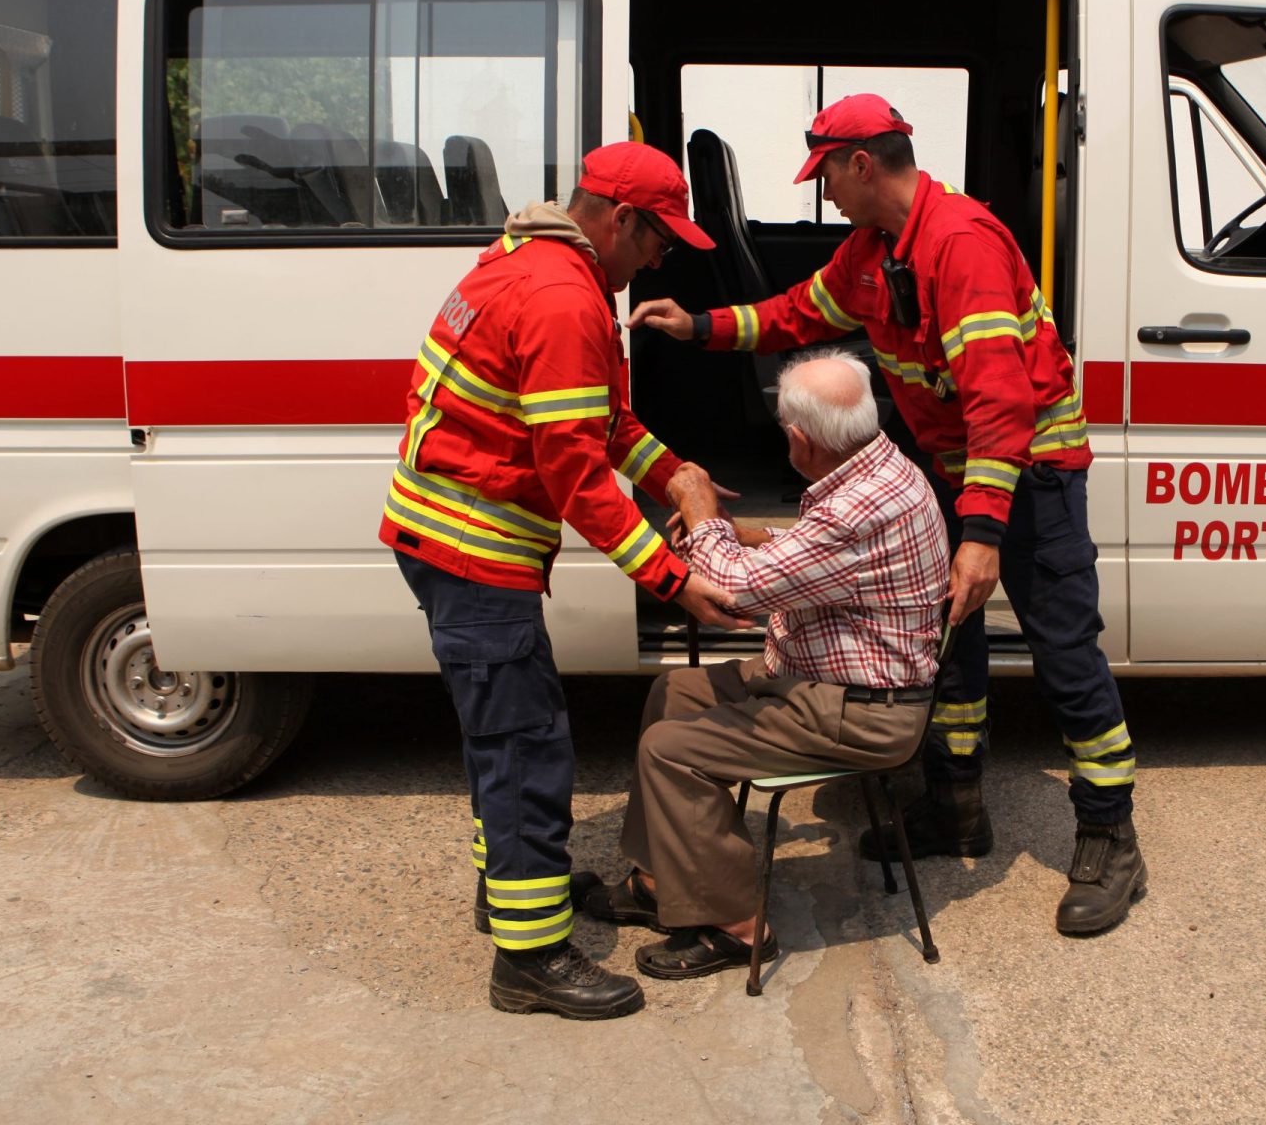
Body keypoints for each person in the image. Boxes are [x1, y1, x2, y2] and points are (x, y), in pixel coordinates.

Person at [628, 94, 1147, 937]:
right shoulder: (873, 251)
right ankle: (956, 804)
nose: (823, 191)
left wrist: (979, 537)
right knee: (952, 642)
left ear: (862, 163)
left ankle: (1109, 835)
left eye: (826, 173)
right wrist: (699, 327)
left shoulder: (961, 243)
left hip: (1032, 472)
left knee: (1063, 649)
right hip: (957, 465)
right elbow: (795, 315)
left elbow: (1001, 404)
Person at [381, 141, 749, 1021]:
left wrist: (677, 476)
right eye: (660, 244)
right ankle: (531, 959)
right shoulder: (562, 300)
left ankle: (508, 890)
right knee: (525, 745)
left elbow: (606, 421)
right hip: (474, 551)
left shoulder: (540, 265)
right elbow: (576, 475)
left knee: (500, 736)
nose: (660, 262)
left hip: (449, 540)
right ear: (620, 220)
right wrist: (671, 577)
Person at [583, 351, 950, 976]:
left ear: (800, 439)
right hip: (828, 687)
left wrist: (699, 506)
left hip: (858, 713)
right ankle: (660, 880)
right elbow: (823, 559)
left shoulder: (851, 510)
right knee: (674, 694)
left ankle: (735, 925)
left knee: (672, 750)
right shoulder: (881, 468)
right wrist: (751, 534)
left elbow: (735, 591)